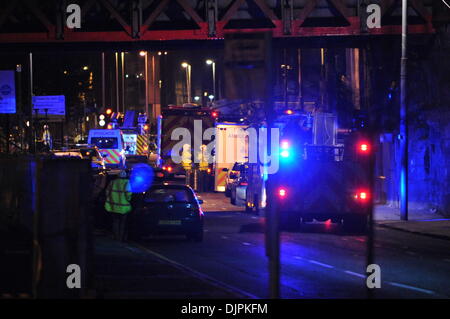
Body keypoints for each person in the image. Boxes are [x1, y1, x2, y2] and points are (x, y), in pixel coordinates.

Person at [104, 170, 132, 241]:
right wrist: (128, 200)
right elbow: (128, 194)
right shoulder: (127, 183)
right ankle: (121, 238)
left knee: (115, 222)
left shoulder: (112, 182)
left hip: (114, 207)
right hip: (124, 208)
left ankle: (116, 237)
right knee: (123, 223)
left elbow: (107, 192)